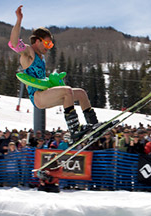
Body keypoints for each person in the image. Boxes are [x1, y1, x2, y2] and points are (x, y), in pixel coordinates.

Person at [9, 5, 99, 142]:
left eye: (50, 45)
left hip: (46, 94)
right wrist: (19, 20)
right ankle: (74, 129)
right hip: (38, 97)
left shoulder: (41, 58)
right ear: (37, 40)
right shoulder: (29, 53)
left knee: (81, 93)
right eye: (47, 43)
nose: (48, 47)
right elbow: (14, 44)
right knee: (67, 91)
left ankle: (94, 125)